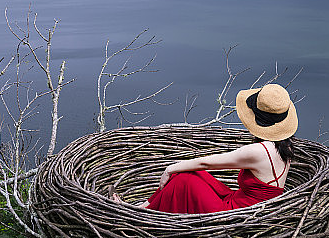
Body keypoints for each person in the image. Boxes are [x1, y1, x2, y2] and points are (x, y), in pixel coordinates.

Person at [116, 83, 299, 213]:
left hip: (233, 214)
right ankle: (144, 206)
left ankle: (141, 212)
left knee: (184, 179)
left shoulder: (258, 151)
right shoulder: (286, 148)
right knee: (193, 172)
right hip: (244, 206)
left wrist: (169, 169)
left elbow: (206, 162)